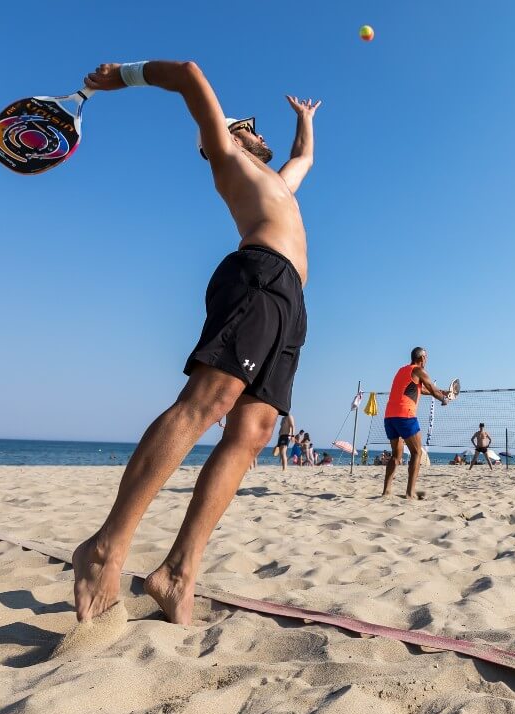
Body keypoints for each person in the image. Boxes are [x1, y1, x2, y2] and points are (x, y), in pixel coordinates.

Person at [70, 59, 320, 625]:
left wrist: (304, 119)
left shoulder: (277, 182)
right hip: (257, 277)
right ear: (223, 137)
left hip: (290, 299)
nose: (259, 129)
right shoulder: (226, 158)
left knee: (254, 432)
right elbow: (187, 74)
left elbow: (304, 157)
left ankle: (179, 571)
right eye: (248, 123)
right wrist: (123, 77)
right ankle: (106, 546)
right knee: (205, 403)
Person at [382, 347, 451, 499]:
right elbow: (431, 388)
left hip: (389, 416)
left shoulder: (402, 370)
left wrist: (443, 392)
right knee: (416, 453)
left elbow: (422, 389)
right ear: (422, 358)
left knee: (396, 455)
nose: (427, 360)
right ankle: (410, 492)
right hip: (405, 415)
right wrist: (444, 399)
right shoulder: (419, 370)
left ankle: (386, 491)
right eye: (426, 357)